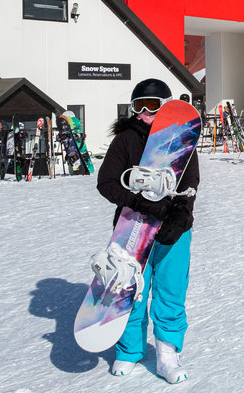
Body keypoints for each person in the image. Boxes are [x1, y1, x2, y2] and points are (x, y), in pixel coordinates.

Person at [96, 78, 199, 384]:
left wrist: (182, 216)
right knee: (131, 289)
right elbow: (107, 183)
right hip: (133, 227)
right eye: (137, 106)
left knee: (170, 290)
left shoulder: (182, 139)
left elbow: (190, 183)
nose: (142, 113)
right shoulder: (126, 139)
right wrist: (141, 203)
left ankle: (167, 353)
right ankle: (129, 350)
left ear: (166, 106)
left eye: (151, 106)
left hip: (173, 227)